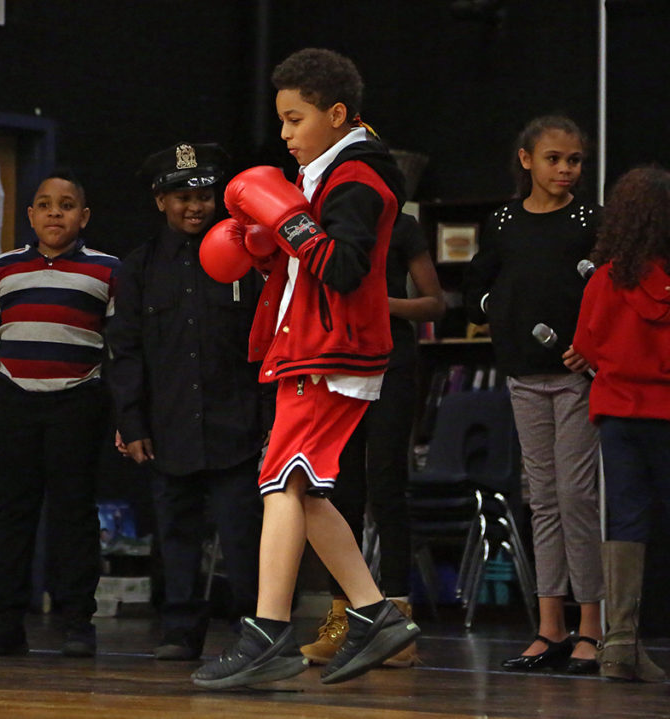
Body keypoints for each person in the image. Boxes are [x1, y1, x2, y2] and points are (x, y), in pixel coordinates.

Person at [190, 47, 420, 690]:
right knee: (302, 486)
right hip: (314, 343)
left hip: (330, 349)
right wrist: (270, 250)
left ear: (336, 113)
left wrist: (285, 221)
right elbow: (316, 265)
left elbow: (345, 268)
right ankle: (375, 613)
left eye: (295, 120)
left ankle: (268, 631)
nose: (285, 134)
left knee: (281, 482)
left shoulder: (357, 177)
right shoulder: (329, 175)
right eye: (282, 121)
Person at [106, 142, 268, 661]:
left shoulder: (248, 257)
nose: (195, 204)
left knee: (244, 539)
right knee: (175, 536)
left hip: (236, 426)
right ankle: (179, 629)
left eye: (204, 192)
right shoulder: (139, 268)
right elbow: (125, 351)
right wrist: (131, 423)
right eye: (181, 194)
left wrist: (270, 421)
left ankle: (253, 632)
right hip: (168, 426)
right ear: (160, 201)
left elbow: (267, 342)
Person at [0, 170, 119, 659]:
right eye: (45, 205)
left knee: (74, 515)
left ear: (84, 216)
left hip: (78, 403)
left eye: (67, 205)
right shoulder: (2, 269)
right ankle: (6, 621)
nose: (55, 213)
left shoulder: (107, 271)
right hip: (15, 404)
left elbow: (120, 351)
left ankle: (77, 622)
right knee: (13, 515)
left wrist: (124, 417)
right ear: (29, 215)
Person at [464, 115, 603, 674]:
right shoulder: (501, 222)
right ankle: (550, 627)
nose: (565, 169)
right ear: (526, 160)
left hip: (576, 377)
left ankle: (592, 626)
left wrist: (590, 347)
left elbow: (608, 291)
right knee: (542, 498)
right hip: (523, 374)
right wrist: (497, 314)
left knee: (577, 498)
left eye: (574, 161)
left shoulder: (592, 221)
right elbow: (479, 282)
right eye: (554, 159)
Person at [300, 212, 444, 668]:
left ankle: (398, 621)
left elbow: (435, 303)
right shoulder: (318, 222)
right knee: (338, 492)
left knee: (386, 487)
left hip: (391, 364)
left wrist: (383, 305)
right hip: (335, 362)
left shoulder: (400, 225)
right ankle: (342, 617)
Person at [571, 165, 670, 682]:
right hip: (665, 412)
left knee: (626, 520)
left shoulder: (605, 278)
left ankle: (619, 645)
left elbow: (585, 345)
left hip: (615, 412)